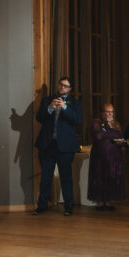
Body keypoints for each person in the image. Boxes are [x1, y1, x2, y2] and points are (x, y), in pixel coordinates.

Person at [34, 77, 82, 215]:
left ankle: (68, 207)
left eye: (65, 86)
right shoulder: (47, 100)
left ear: (70, 89)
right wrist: (50, 108)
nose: (62, 87)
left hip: (65, 147)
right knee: (45, 177)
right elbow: (39, 118)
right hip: (48, 145)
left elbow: (78, 120)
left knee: (66, 177)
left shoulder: (74, 103)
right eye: (61, 85)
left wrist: (65, 107)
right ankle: (41, 206)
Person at [89, 104, 126, 210]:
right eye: (107, 112)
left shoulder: (117, 124)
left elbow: (122, 138)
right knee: (100, 177)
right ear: (102, 113)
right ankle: (100, 202)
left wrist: (122, 142)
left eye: (112, 112)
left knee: (111, 178)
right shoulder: (97, 123)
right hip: (100, 157)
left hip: (114, 157)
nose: (110, 114)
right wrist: (106, 126)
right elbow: (98, 136)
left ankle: (108, 202)